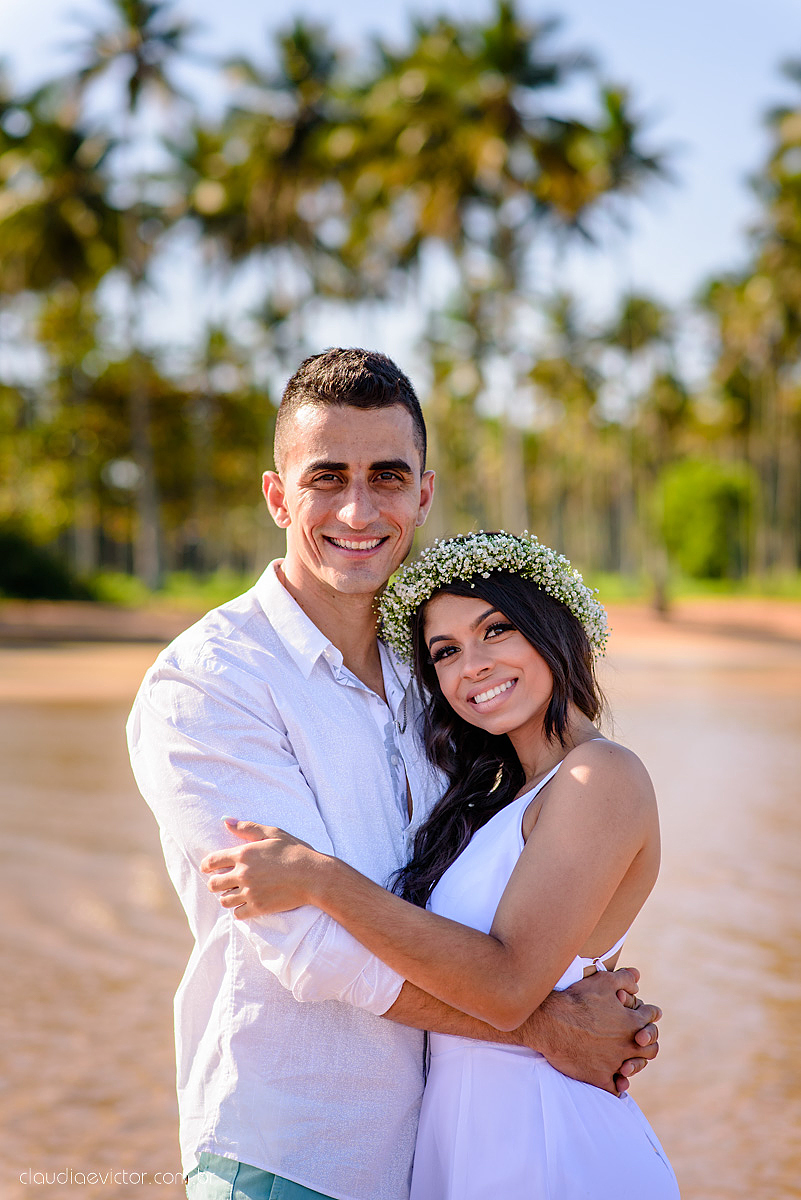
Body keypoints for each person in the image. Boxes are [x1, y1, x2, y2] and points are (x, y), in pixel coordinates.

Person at [127, 349, 661, 1200]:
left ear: (422, 494)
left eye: (386, 476)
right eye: (325, 478)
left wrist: (584, 990)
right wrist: (547, 1028)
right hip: (295, 1148)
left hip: (440, 1151)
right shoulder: (209, 684)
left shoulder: (440, 678)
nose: (357, 508)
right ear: (277, 497)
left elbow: (530, 874)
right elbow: (311, 949)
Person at [202, 531, 680, 1200]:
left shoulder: (600, 775)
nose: (472, 666)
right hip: (464, 1131)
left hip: (544, 1136)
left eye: (496, 630)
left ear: (555, 627)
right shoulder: (505, 799)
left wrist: (320, 878)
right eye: (446, 652)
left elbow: (508, 985)